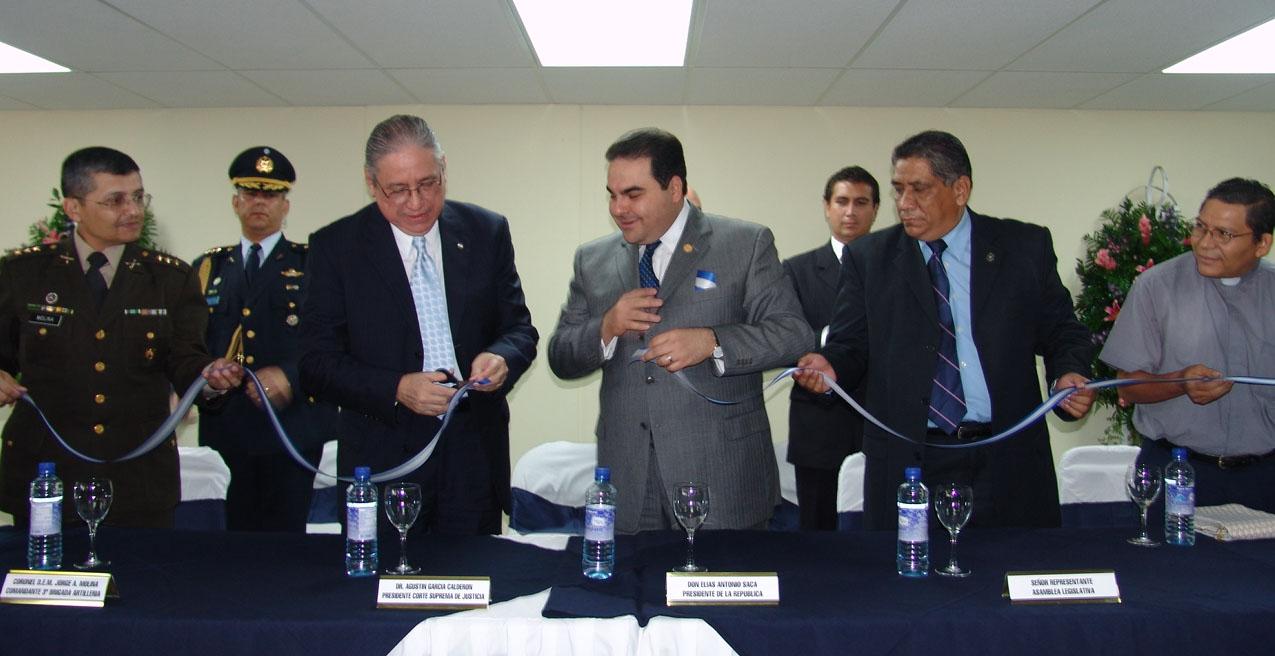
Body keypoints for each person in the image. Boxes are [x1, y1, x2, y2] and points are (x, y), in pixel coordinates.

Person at [795, 130, 1095, 530]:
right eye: (899, 189)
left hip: (1006, 459)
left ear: (960, 189)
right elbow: (851, 345)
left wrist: (1068, 372)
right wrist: (830, 366)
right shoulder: (870, 258)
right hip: (911, 463)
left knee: (1012, 578)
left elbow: (1063, 331)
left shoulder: (1023, 247)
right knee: (910, 590)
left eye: (919, 189)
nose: (904, 204)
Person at [548, 127, 813, 534]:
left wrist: (713, 341)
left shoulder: (745, 244)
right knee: (631, 597)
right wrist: (606, 326)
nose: (618, 208)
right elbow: (561, 356)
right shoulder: (593, 260)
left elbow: (793, 334)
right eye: (612, 194)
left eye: (633, 194)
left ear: (674, 188)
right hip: (630, 481)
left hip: (722, 473)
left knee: (721, 597)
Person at [299, 115, 538, 536]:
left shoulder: (486, 231)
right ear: (372, 184)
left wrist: (501, 357)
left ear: (444, 168)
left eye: (429, 183)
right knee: (381, 593)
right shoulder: (336, 248)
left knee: (477, 587)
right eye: (398, 190)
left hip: (473, 456)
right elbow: (316, 363)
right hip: (384, 459)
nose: (416, 202)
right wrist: (396, 388)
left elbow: (519, 329)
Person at [0, 146, 242, 529]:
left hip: (137, 478)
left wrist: (210, 379)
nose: (132, 210)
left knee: (141, 585)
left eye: (137, 196)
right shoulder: (23, 275)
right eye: (115, 200)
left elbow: (185, 358)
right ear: (73, 208)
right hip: (47, 474)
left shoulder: (169, 279)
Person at [1101, 178, 1275, 514]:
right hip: (1178, 471)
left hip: (1264, 477)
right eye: (1200, 227)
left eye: (1224, 234)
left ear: (1262, 243)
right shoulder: (1157, 287)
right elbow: (1127, 385)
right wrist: (1180, 383)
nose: (1205, 243)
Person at [193, 146, 338, 532]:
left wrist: (290, 376)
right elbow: (192, 344)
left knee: (287, 540)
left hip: (293, 426)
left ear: (285, 206)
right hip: (229, 427)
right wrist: (206, 375)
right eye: (251, 193)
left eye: (271, 194)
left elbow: (336, 340)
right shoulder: (210, 268)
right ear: (235, 202)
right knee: (234, 541)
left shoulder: (313, 265)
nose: (260, 202)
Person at [782, 165, 879, 530]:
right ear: (826, 207)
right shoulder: (795, 270)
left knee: (882, 533)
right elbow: (786, 336)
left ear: (875, 209)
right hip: (818, 423)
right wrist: (835, 342)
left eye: (860, 202)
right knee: (817, 536)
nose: (850, 211)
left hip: (878, 419)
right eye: (841, 201)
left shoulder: (897, 268)